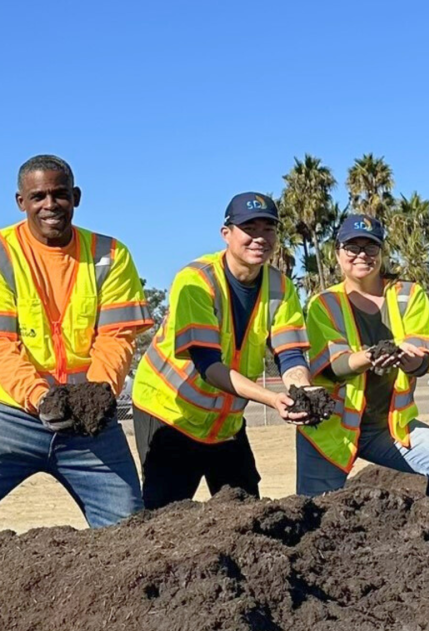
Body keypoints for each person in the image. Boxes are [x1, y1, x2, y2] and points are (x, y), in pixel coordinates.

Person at [0, 155, 154, 548]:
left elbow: (117, 337)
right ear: (21, 201)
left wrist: (96, 395)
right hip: (3, 414)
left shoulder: (111, 254)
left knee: (128, 531)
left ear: (76, 197)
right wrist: (41, 398)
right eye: (38, 196)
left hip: (87, 421)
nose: (50, 204)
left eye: (59, 194)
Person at [132, 192, 314, 509]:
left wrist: (302, 390)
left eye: (268, 228)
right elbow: (208, 365)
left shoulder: (281, 287)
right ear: (226, 234)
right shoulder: (197, 280)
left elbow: (291, 355)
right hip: (170, 414)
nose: (260, 237)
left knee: (249, 513)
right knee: (163, 518)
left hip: (225, 424)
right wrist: (273, 399)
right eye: (250, 228)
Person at [296, 215, 429, 511]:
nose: (362, 255)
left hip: (388, 427)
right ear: (338, 253)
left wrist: (408, 358)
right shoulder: (323, 304)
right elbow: (332, 367)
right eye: (353, 247)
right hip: (331, 430)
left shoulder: (408, 295)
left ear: (381, 252)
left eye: (371, 247)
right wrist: (370, 357)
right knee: (315, 514)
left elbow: (425, 359)